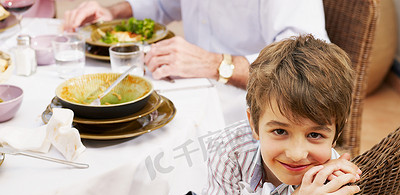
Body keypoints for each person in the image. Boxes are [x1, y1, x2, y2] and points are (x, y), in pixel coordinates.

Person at [116, 34, 362, 195]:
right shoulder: (231, 150)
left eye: (315, 135)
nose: (296, 153)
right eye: (280, 131)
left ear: (336, 134)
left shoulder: (329, 191)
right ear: (253, 125)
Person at [63, 0, 330, 90]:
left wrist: (215, 65)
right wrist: (114, 13)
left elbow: (306, 68)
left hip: (248, 114)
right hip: (186, 89)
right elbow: (162, 4)